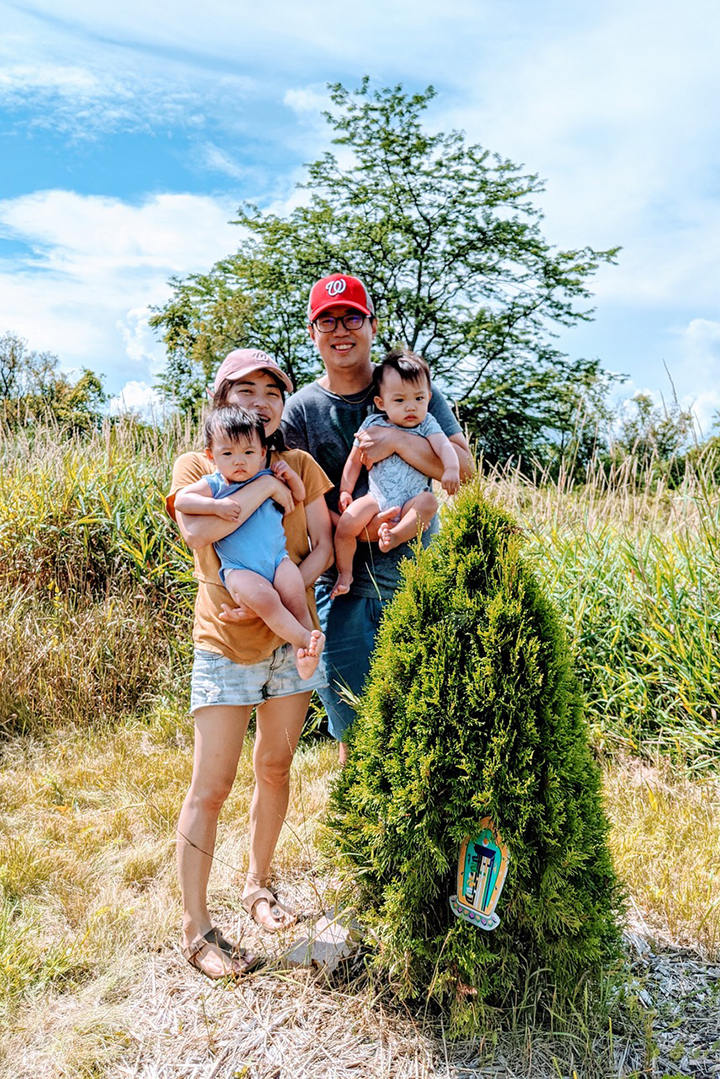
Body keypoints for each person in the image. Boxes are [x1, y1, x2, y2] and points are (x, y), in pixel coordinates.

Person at [166, 348, 333, 979]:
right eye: (246, 388)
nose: (260, 399)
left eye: (272, 389)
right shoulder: (201, 462)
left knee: (276, 766)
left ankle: (258, 887)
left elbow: (320, 548)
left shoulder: (300, 464)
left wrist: (285, 604)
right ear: (221, 399)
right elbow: (199, 534)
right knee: (211, 786)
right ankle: (196, 928)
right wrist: (264, 485)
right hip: (225, 643)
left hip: (289, 641)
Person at [282, 274, 474, 762]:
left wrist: (396, 442)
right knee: (355, 729)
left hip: (416, 576)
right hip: (340, 590)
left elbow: (464, 470)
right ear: (312, 332)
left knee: (428, 723)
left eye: (352, 317)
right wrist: (350, 523)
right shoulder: (302, 409)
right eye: (327, 320)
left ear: (371, 324)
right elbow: (293, 492)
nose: (340, 329)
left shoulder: (409, 387)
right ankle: (360, 832)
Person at [174, 405, 324, 679]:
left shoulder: (268, 476)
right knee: (266, 601)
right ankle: (305, 639)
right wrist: (215, 507)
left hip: (279, 560)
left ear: (263, 452)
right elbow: (183, 500)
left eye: (248, 453)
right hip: (239, 568)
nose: (239, 461)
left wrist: (289, 477)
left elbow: (299, 496)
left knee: (295, 598)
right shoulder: (216, 484)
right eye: (228, 454)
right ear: (211, 456)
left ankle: (306, 651)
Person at [331, 348, 460, 599]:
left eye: (419, 399)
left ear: (428, 397)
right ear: (382, 403)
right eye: (400, 401)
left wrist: (452, 469)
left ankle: (396, 536)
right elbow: (354, 461)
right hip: (377, 496)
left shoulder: (428, 424)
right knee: (346, 525)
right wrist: (346, 490)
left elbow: (446, 447)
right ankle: (345, 574)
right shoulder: (373, 424)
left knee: (429, 502)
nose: (411, 407)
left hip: (413, 497)